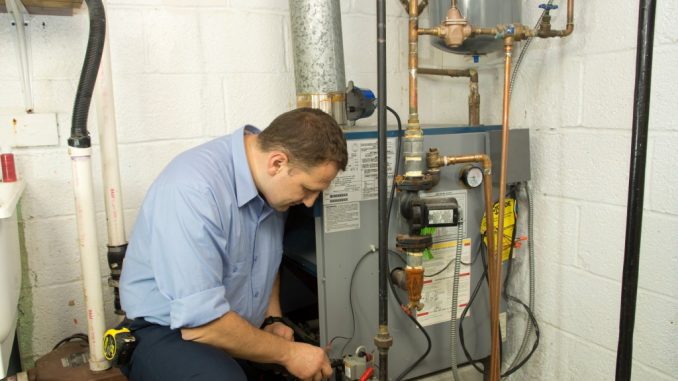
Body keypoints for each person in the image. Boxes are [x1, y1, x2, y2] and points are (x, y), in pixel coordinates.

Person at [119, 107, 348, 381]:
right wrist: (287, 353)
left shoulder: (270, 185)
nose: (310, 202)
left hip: (232, 326)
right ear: (277, 163)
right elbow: (201, 324)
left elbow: (265, 260)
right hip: (167, 330)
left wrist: (272, 318)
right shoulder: (193, 190)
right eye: (307, 189)